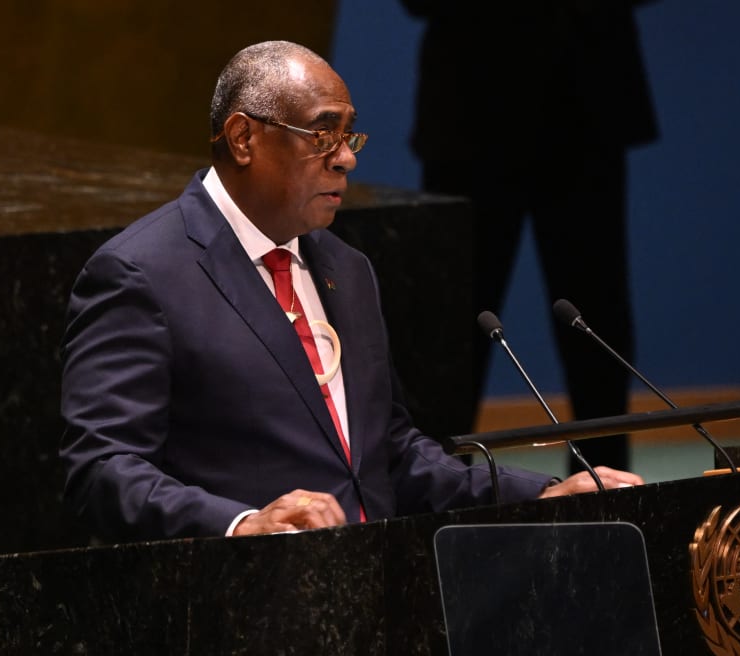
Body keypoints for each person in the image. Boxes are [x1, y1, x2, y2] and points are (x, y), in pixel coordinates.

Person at [58, 40, 643, 542]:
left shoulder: (348, 268)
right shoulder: (142, 273)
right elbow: (103, 469)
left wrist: (537, 494)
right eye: (322, 134)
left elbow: (387, 455)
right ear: (243, 138)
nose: (345, 159)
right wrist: (241, 523)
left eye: (347, 134)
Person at [400, 2, 660, 473]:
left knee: (595, 317)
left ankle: (604, 489)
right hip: (470, 105)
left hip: (584, 101)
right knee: (456, 322)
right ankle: (429, 489)